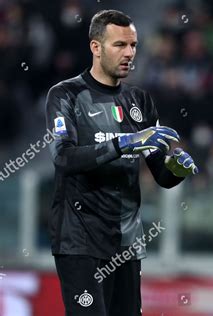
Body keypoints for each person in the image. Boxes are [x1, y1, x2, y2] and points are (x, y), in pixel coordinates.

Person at [44, 10, 198, 316]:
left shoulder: (140, 101)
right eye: (120, 45)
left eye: (134, 45)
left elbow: (162, 176)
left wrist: (177, 169)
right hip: (80, 242)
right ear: (96, 47)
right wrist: (123, 142)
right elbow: (63, 157)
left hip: (127, 245)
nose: (129, 53)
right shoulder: (66, 95)